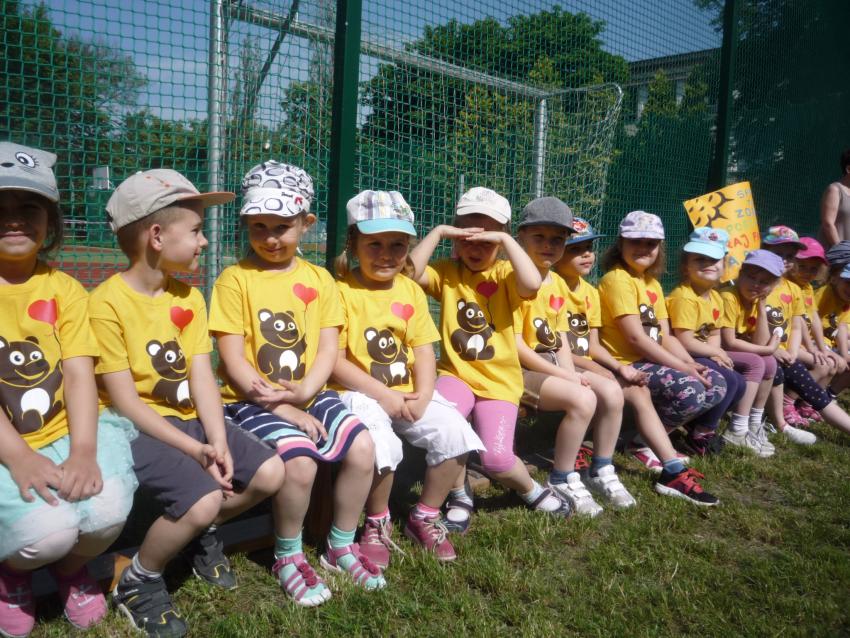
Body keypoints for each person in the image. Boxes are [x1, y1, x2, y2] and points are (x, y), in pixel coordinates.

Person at [90, 169, 285, 637]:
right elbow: (126, 403)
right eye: (196, 231)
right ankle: (140, 578)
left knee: (271, 473)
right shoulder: (105, 304)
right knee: (201, 499)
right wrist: (197, 450)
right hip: (133, 428)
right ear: (157, 236)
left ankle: (199, 532)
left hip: (189, 421)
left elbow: (201, 377)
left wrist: (217, 440)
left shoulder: (190, 298)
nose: (204, 242)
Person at [209, 161, 385, 601]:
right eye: (259, 226)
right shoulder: (234, 280)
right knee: (300, 461)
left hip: (310, 394)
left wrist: (306, 392)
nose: (270, 237)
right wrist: (282, 406)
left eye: (282, 226)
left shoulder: (319, 279)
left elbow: (328, 348)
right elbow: (232, 360)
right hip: (248, 401)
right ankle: (287, 554)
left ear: (306, 223)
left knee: (363, 447)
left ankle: (340, 545)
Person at [0, 142, 137, 637]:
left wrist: (83, 451)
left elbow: (79, 374)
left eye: (29, 206)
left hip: (64, 431)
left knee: (107, 512)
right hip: (6, 444)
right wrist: (19, 456)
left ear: (51, 221)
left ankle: (70, 571)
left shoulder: (65, 290)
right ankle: (11, 573)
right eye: (0, 207)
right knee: (46, 532)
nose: (14, 219)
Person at [332, 190, 484, 564]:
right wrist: (383, 395)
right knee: (380, 443)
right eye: (375, 244)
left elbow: (423, 350)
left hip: (409, 391)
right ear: (353, 244)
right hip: (355, 391)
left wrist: (426, 393)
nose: (386, 254)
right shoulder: (340, 292)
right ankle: (377, 520)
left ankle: (425, 515)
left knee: (455, 431)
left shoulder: (409, 290)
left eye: (397, 245)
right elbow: (334, 361)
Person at [410, 187, 570, 517]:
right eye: (467, 237)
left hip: (500, 383)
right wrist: (438, 232)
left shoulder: (505, 273)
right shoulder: (447, 272)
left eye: (487, 240)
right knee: (447, 429)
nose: (476, 247)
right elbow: (409, 273)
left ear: (500, 241)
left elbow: (532, 283)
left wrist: (506, 240)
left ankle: (531, 490)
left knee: (496, 460)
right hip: (456, 376)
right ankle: (459, 493)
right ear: (456, 237)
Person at [515, 199, 634, 516]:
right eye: (539, 237)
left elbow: (561, 341)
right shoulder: (514, 279)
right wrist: (568, 378)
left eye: (557, 239)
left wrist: (571, 373)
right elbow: (516, 346)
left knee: (612, 391)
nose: (548, 245)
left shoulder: (556, 282)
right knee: (583, 399)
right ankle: (561, 477)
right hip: (520, 368)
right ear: (521, 237)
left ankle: (601, 468)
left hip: (552, 365)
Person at [598, 211, 722, 506]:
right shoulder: (617, 280)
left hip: (648, 361)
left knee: (716, 383)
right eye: (636, 241)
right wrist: (683, 368)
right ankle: (644, 446)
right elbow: (635, 338)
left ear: (660, 248)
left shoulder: (651, 284)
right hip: (623, 362)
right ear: (621, 244)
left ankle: (646, 441)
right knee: (690, 389)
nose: (644, 248)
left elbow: (664, 336)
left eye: (651, 243)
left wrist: (689, 363)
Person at [756, 227, 850, 438]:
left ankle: (803, 403)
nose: (784, 260)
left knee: (825, 362)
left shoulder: (796, 289)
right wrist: (785, 349)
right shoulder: (760, 285)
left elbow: (800, 323)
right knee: (823, 364)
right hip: (770, 348)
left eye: (789, 256)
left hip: (788, 347)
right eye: (778, 253)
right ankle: (788, 405)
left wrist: (812, 349)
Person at [666, 227, 745, 455]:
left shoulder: (716, 297)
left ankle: (699, 424)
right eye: (700, 259)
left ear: (724, 265)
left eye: (714, 259)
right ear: (686, 266)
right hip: (683, 354)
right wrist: (716, 354)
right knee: (729, 380)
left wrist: (715, 353)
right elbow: (685, 340)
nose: (708, 264)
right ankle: (701, 433)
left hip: (701, 353)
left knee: (740, 382)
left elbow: (714, 334)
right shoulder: (684, 297)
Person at [719, 250, 788, 454]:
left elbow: (759, 341)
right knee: (757, 362)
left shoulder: (756, 301)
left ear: (773, 286)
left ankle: (754, 424)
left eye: (764, 282)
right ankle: (737, 428)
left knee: (770, 362)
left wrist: (762, 306)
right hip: (716, 351)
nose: (756, 285)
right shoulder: (729, 296)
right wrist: (768, 349)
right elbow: (729, 342)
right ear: (740, 274)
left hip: (732, 351)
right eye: (751, 277)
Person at [785, 237, 844, 423]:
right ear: (793, 263)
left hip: (804, 342)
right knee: (822, 365)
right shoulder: (790, 286)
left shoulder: (808, 288)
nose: (807, 273)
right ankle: (787, 402)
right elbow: (798, 323)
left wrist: (822, 348)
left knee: (831, 363)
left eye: (813, 269)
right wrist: (812, 348)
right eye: (802, 266)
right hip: (790, 343)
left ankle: (807, 403)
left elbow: (814, 319)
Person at [819, 148, 850, 246]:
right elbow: (828, 224)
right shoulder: (835, 189)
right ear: (848, 169)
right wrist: (841, 251)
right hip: (835, 253)